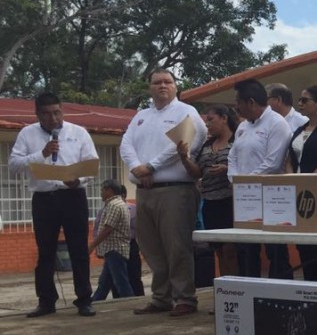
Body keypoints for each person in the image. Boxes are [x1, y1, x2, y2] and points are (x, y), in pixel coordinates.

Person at [120, 70, 206, 317]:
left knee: (177, 246)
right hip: (145, 191)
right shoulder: (141, 116)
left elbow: (183, 146)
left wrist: (151, 166)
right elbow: (126, 144)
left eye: (168, 82)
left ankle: (185, 298)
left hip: (175, 190)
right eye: (157, 82)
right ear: (149, 87)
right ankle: (161, 297)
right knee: (151, 247)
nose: (162, 86)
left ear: (176, 86)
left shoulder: (186, 112)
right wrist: (138, 167)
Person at [9, 91, 99, 317]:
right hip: (44, 199)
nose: (53, 118)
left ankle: (84, 299)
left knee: (79, 250)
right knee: (46, 252)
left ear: (62, 110)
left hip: (73, 196)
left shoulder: (79, 132)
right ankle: (46, 301)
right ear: (37, 114)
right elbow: (14, 165)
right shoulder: (26, 134)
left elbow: (91, 164)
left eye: (57, 112)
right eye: (47, 114)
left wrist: (79, 179)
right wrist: (41, 154)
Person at [227, 78, 293, 280]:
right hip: (244, 198)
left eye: (238, 101)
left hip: (271, 196)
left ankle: (280, 290)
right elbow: (233, 156)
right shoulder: (242, 127)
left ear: (251, 102)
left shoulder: (277, 124)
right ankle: (249, 289)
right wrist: (234, 180)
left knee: (274, 249)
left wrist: (245, 182)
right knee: (246, 248)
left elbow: (273, 163)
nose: (236, 106)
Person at [282, 85, 317, 282]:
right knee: (303, 243)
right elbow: (289, 159)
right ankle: (309, 286)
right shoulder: (299, 130)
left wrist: (308, 181)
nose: (300, 104)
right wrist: (292, 179)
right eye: (300, 100)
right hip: (297, 191)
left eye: (305, 100)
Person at [177, 105, 239, 278]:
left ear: (225, 118)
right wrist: (184, 158)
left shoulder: (237, 140)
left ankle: (237, 287)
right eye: (206, 121)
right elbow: (197, 172)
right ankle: (226, 288)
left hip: (232, 201)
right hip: (211, 202)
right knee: (218, 249)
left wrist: (227, 168)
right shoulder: (207, 145)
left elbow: (246, 165)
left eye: (211, 119)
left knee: (231, 249)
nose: (208, 124)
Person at [91, 179, 134, 301]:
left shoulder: (114, 205)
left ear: (109, 190)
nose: (100, 193)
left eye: (102, 190)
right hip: (112, 249)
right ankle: (95, 302)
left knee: (121, 283)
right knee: (104, 283)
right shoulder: (117, 204)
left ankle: (130, 303)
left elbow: (107, 229)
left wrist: (92, 245)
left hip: (115, 249)